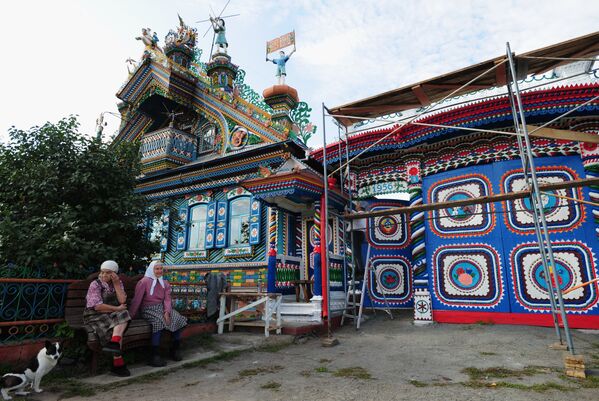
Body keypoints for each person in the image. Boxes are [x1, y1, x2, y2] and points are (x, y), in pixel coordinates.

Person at [129, 261, 188, 367]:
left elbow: (167, 299)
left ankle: (175, 349)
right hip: (148, 309)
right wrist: (131, 315)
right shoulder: (144, 282)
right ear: (152, 269)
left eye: (161, 268)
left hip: (162, 308)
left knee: (177, 318)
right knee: (158, 322)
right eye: (157, 269)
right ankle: (154, 355)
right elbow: (137, 299)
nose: (159, 271)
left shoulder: (164, 282)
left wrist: (167, 312)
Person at [83, 260, 131, 377]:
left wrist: (116, 284)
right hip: (95, 314)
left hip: (111, 313)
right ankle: (118, 364)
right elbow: (98, 307)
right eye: (102, 272)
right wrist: (117, 309)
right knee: (120, 317)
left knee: (124, 314)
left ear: (114, 274)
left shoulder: (117, 283)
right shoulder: (95, 284)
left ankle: (114, 344)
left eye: (108, 273)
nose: (104, 275)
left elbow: (122, 301)